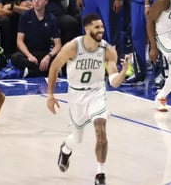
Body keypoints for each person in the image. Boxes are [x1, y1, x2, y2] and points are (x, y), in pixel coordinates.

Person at [47, 13, 130, 185]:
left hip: (96, 93)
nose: (101, 30)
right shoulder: (73, 47)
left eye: (102, 27)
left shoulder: (108, 49)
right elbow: (54, 68)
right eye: (97, 27)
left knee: (101, 129)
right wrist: (50, 95)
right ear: (87, 29)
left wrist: (123, 72)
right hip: (77, 96)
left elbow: (113, 82)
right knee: (76, 139)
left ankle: (100, 174)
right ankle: (65, 149)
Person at [11, 0, 61, 77]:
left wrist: (48, 56)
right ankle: (40, 70)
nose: (36, 1)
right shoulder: (25, 16)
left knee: (60, 59)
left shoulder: (52, 19)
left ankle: (32, 71)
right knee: (15, 58)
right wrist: (29, 56)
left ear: (46, 1)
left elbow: (58, 45)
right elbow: (19, 41)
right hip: (28, 52)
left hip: (43, 52)